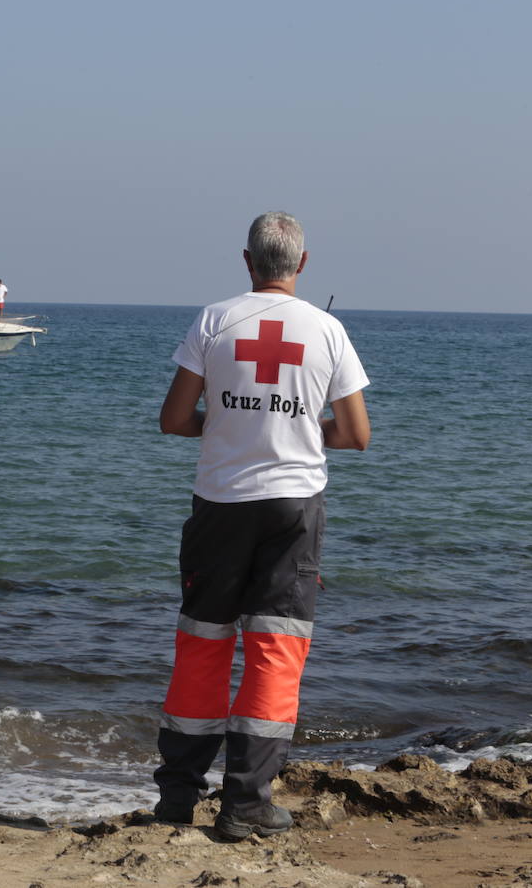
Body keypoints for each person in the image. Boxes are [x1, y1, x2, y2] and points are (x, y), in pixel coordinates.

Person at [152, 212, 370, 840]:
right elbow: (356, 435)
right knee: (275, 649)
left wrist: (226, 424)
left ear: (246, 261)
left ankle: (176, 800)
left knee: (203, 644)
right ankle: (247, 803)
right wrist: (301, 429)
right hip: (292, 509)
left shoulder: (215, 319)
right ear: (302, 264)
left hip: (219, 505)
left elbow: (173, 419)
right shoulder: (328, 330)